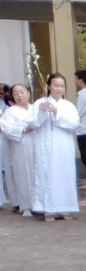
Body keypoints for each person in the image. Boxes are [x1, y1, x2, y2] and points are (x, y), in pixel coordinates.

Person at [29, 74, 81, 220]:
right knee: (47, 175)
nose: (59, 88)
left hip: (64, 146)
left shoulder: (68, 106)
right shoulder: (39, 103)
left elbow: (74, 124)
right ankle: (49, 210)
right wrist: (42, 112)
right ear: (49, 86)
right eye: (55, 85)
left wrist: (57, 112)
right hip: (45, 146)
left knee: (65, 174)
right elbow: (33, 123)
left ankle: (64, 208)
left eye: (61, 86)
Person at [0, 84, 35, 214]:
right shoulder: (10, 112)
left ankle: (40, 204)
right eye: (16, 93)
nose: (20, 95)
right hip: (20, 147)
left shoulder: (35, 109)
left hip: (37, 146)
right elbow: (5, 128)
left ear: (28, 93)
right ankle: (26, 206)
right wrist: (23, 129)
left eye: (22, 92)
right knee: (22, 175)